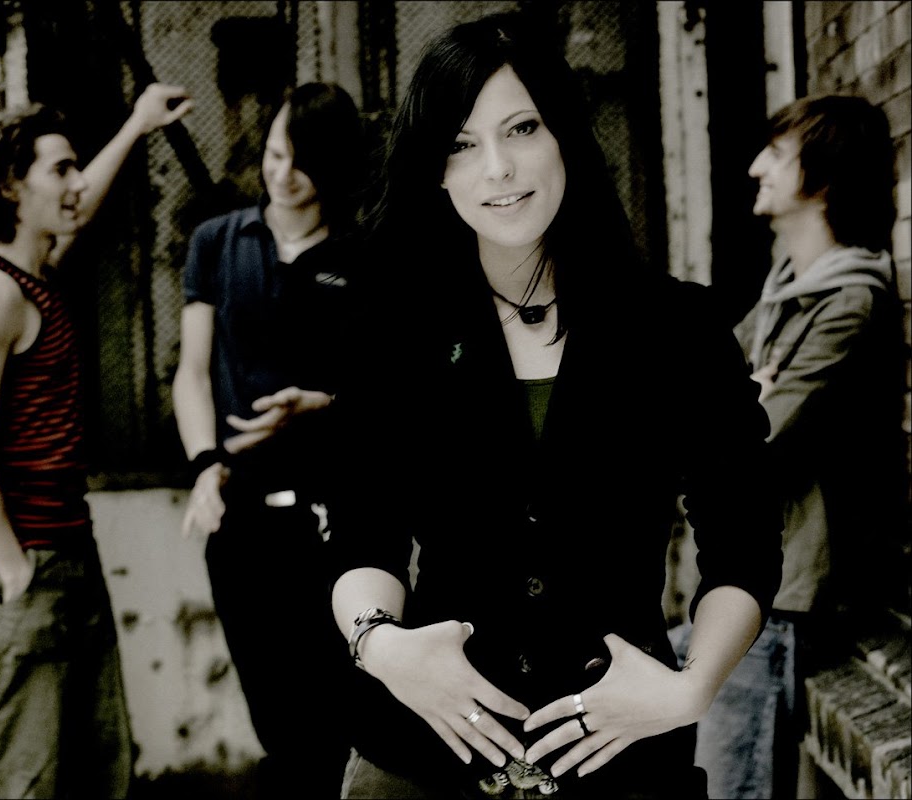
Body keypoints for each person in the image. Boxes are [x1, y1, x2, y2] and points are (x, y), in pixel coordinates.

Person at [327, 11, 784, 800]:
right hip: (420, 755)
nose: (498, 168)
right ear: (436, 170)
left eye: (522, 128)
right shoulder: (394, 333)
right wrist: (384, 648)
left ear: (565, 134)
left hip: (620, 754)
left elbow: (742, 539)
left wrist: (692, 687)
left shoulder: (676, 328)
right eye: (462, 144)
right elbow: (362, 531)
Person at [0, 84, 193, 799]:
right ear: (11, 187)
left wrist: (138, 125)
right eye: (60, 169)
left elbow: (85, 203)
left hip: (67, 555)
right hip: (19, 566)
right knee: (5, 780)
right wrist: (13, 572)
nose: (77, 181)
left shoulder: (37, 276)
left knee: (88, 772)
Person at [684, 94, 907, 799]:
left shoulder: (849, 304)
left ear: (826, 179)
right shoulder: (786, 292)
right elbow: (687, 395)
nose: (756, 167)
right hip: (742, 582)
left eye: (776, 155)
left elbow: (750, 445)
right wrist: (743, 392)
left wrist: (739, 398)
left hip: (785, 598)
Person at [171, 82, 367, 798]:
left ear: (333, 166)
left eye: (302, 160)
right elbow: (192, 373)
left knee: (337, 714)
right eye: (275, 154)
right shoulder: (217, 242)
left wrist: (318, 406)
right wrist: (205, 467)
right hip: (242, 522)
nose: (282, 174)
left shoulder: (363, 256)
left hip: (334, 520)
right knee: (276, 720)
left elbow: (391, 389)